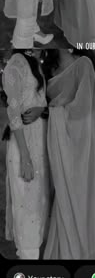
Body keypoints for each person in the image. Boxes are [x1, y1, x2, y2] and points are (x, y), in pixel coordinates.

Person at [35, 49, 95, 259]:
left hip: (82, 130)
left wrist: (54, 110)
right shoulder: (47, 65)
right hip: (57, 131)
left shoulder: (83, 61)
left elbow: (85, 103)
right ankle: (64, 239)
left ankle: (83, 245)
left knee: (82, 185)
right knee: (62, 187)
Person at [2, 50, 50, 259]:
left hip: (40, 139)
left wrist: (41, 109)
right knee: (26, 201)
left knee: (39, 199)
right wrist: (26, 157)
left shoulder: (34, 62)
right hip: (25, 143)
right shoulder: (14, 65)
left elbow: (40, 100)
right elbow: (13, 114)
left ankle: (33, 252)